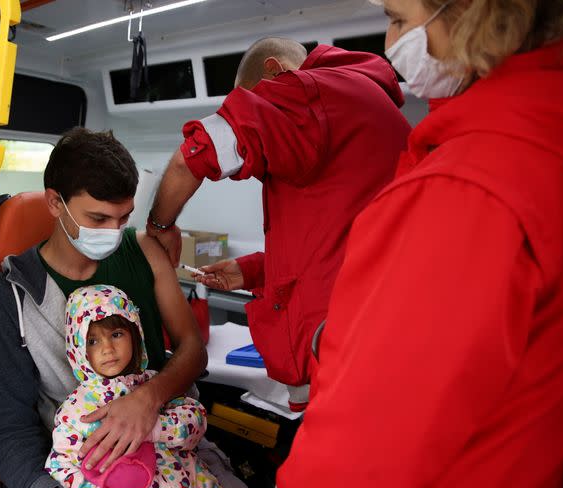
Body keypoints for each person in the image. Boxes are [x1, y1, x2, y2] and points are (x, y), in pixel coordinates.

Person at [266, 1, 563, 488]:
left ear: (474, 13)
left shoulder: (467, 187)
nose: (390, 38)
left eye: (398, 17)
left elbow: (359, 459)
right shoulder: (560, 129)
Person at [0, 128, 266, 488]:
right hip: (80, 472)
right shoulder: (13, 298)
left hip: (172, 450)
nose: (113, 232)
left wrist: (148, 399)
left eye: (123, 217)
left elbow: (192, 348)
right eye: (98, 218)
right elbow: (7, 428)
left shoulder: (143, 250)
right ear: (55, 203)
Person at [147, 37, 411, 409]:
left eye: (256, 98)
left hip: (342, 354)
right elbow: (340, 245)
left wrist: (159, 227)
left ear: (276, 70)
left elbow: (193, 155)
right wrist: (254, 271)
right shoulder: (362, 106)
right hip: (381, 332)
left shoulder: (307, 94)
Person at [45, 285, 226, 488]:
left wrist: (155, 429)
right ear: (78, 348)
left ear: (135, 334)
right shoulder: (75, 411)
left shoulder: (155, 384)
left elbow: (195, 421)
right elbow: (61, 466)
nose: (107, 348)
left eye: (117, 334)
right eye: (93, 340)